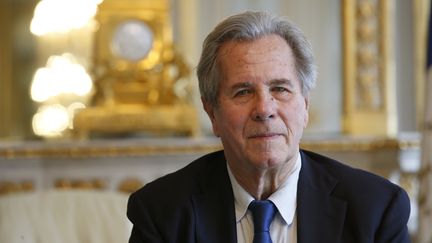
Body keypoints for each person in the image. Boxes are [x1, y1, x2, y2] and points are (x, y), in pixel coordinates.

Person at [127, 11, 411, 243]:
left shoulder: (375, 209)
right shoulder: (162, 212)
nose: (264, 109)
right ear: (211, 112)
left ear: (305, 106)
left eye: (280, 89)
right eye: (243, 92)